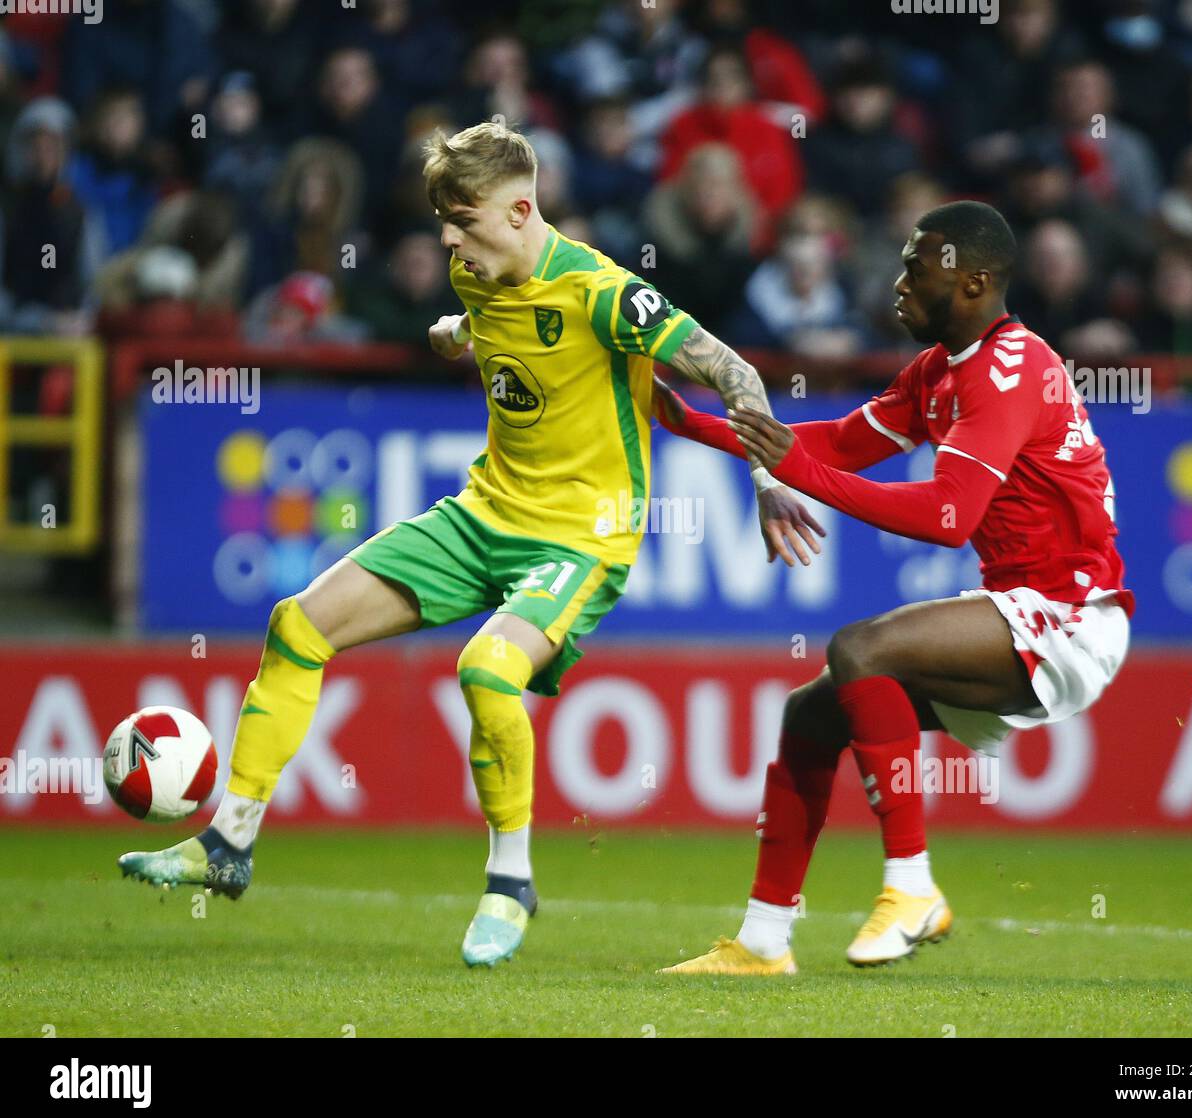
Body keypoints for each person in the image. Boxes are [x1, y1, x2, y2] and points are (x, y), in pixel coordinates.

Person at [117, 121, 824, 969]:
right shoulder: (472, 270)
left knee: (486, 671)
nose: (449, 238)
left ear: (522, 209)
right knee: (297, 624)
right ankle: (229, 842)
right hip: (484, 512)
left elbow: (733, 371)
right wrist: (461, 331)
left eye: (464, 220)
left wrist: (768, 478)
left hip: (582, 535)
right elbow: (499, 322)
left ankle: (510, 882)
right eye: (443, 222)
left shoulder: (604, 293)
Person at [656, 201, 1134, 974]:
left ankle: (911, 886)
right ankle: (762, 942)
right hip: (1024, 610)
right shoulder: (939, 369)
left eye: (919, 266)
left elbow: (949, 514)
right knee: (811, 715)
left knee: (860, 649)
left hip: (1069, 616)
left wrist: (798, 473)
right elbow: (840, 444)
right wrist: (690, 422)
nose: (899, 282)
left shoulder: (1012, 370)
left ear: (975, 280)